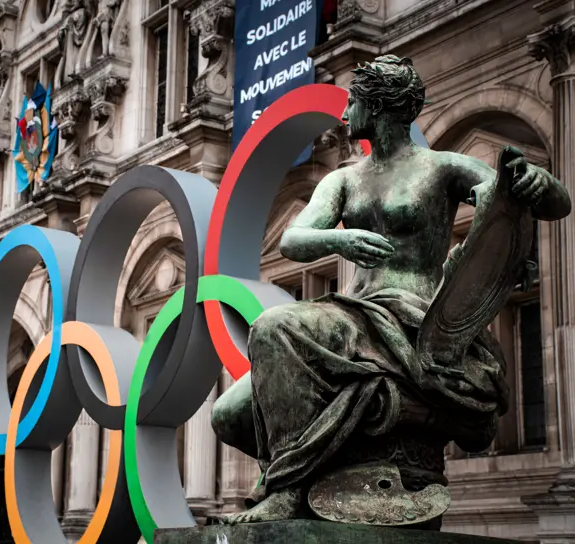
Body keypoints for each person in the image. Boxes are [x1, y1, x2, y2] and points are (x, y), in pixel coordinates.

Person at [211, 54, 571, 524]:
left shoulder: (441, 168)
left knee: (273, 323)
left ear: (378, 108)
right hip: (357, 311)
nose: (344, 114)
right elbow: (291, 241)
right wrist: (338, 237)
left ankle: (288, 487)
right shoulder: (343, 179)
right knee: (228, 414)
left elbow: (553, 204)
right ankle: (315, 468)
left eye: (353, 102)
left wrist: (531, 183)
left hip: (417, 311)